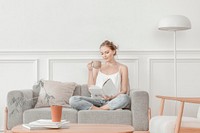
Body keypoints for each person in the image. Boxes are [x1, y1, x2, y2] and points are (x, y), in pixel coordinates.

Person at [69, 40, 130, 110]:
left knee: (125, 98)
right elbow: (90, 87)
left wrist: (112, 97)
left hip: (113, 100)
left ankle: (98, 110)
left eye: (107, 52)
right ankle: (101, 110)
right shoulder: (98, 67)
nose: (104, 56)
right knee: (73, 99)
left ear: (113, 51)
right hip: (97, 100)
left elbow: (124, 90)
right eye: (102, 53)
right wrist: (90, 70)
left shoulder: (123, 68)